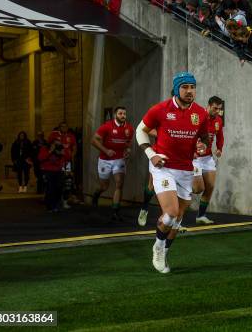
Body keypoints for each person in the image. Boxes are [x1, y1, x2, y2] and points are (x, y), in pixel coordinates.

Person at [136, 72, 209, 274]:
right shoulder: (160, 109)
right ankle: (158, 247)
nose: (189, 91)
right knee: (170, 214)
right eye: (185, 87)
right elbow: (140, 130)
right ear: (177, 89)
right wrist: (151, 154)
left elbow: (204, 136)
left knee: (178, 219)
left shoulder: (201, 113)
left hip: (186, 169)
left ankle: (165, 250)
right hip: (163, 168)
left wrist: (202, 145)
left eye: (192, 87)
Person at [91, 107, 134, 221]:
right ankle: (97, 193)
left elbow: (128, 142)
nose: (123, 115)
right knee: (104, 186)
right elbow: (94, 140)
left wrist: (128, 151)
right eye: (120, 113)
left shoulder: (129, 128)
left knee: (119, 184)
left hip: (119, 160)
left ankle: (115, 211)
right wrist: (106, 150)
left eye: (124, 113)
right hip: (105, 160)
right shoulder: (107, 126)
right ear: (115, 115)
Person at [192, 96, 225, 224]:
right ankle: (179, 188)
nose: (217, 111)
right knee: (197, 189)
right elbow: (189, 135)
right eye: (215, 108)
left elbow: (220, 136)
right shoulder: (198, 117)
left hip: (207, 158)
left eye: (219, 109)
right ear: (209, 105)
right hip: (194, 158)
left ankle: (200, 216)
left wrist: (219, 149)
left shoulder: (218, 121)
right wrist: (192, 151)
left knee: (210, 186)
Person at [38, 141, 70, 212]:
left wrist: (63, 152)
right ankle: (49, 206)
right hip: (48, 171)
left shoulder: (61, 149)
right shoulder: (45, 149)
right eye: (55, 143)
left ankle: (56, 205)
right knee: (50, 189)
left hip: (58, 171)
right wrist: (50, 151)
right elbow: (40, 158)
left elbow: (67, 158)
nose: (56, 145)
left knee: (59, 188)